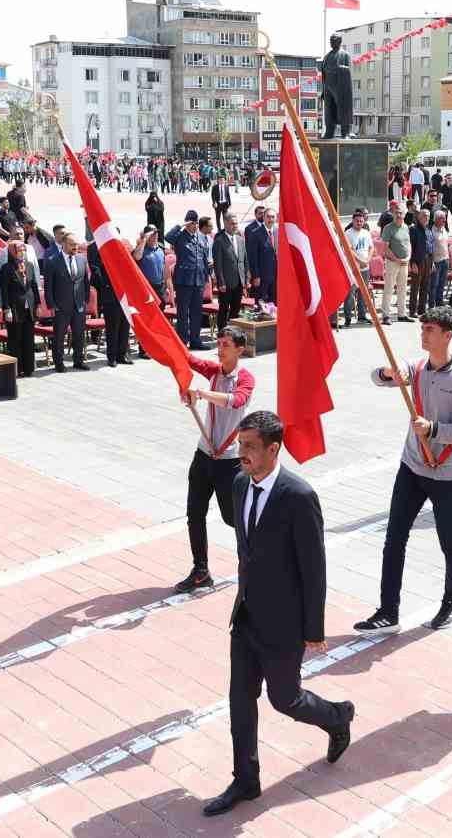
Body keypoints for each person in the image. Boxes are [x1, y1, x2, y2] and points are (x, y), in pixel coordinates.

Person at [203, 410, 354, 817]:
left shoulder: (298, 496)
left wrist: (314, 628)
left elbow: (313, 567)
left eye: (250, 447)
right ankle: (246, 781)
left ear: (274, 449)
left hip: (284, 624)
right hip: (247, 616)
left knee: (285, 699)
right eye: (240, 445)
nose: (242, 453)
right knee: (240, 700)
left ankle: (337, 717)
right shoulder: (238, 484)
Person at [353, 306, 452, 635]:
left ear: (447, 336)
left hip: (446, 475)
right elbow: (380, 376)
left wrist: (433, 429)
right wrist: (387, 373)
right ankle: (388, 611)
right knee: (394, 538)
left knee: (449, 541)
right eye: (422, 328)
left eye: (430, 330)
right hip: (411, 467)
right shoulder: (417, 368)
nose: (423, 334)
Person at [175, 327, 256, 593]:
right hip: (204, 455)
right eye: (219, 343)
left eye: (226, 344)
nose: (220, 349)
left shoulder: (245, 378)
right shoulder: (213, 371)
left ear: (239, 349)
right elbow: (185, 358)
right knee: (194, 514)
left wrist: (202, 394)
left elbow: (236, 401)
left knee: (232, 518)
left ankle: (255, 563)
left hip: (229, 461)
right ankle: (201, 570)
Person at [42, 231, 89, 372]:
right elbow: (48, 286)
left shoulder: (81, 259)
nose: (75, 247)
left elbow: (85, 281)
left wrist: (85, 300)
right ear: (63, 244)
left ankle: (78, 360)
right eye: (72, 244)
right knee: (59, 336)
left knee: (79, 334)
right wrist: (51, 304)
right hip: (61, 306)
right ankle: (59, 363)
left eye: (76, 244)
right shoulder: (52, 261)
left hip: (79, 305)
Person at [165, 210, 210, 350]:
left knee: (197, 312)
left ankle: (195, 340)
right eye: (192, 223)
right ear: (187, 223)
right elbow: (167, 237)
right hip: (184, 281)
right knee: (183, 313)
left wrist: (207, 275)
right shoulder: (179, 236)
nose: (195, 225)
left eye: (196, 223)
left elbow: (204, 257)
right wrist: (181, 225)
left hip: (198, 280)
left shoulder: (201, 238)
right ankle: (182, 342)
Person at [0, 240, 41, 378]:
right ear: (13, 252)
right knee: (15, 339)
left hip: (29, 307)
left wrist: (38, 305)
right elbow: (4, 290)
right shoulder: (6, 268)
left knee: (28, 338)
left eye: (24, 250)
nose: (22, 253)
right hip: (14, 308)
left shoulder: (28, 265)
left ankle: (29, 368)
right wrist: (6, 309)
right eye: (19, 250)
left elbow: (34, 286)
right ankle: (17, 369)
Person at [89, 235, 131, 366]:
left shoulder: (122, 250)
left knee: (125, 325)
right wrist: (106, 285)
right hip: (109, 294)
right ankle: (112, 357)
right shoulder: (100, 250)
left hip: (124, 295)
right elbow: (95, 269)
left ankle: (122, 354)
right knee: (113, 327)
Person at [212, 215, 248, 332]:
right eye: (232, 224)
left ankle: (234, 334)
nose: (235, 226)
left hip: (239, 281)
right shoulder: (219, 241)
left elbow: (244, 261)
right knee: (223, 309)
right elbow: (218, 264)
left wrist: (246, 280)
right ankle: (222, 333)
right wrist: (221, 282)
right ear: (225, 223)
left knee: (236, 309)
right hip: (226, 283)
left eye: (236, 224)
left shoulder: (240, 240)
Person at [339, 210, 372, 327]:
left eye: (361, 221)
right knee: (350, 293)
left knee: (363, 293)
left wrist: (367, 259)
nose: (359, 223)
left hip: (365, 268)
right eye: (357, 221)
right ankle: (348, 317)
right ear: (353, 221)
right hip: (352, 268)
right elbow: (350, 250)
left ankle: (362, 316)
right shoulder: (348, 233)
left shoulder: (366, 232)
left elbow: (371, 247)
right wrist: (361, 261)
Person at [380, 205, 411, 323]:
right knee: (389, 288)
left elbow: (409, 244)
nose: (399, 215)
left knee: (403, 289)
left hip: (404, 263)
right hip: (392, 263)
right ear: (393, 214)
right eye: (397, 213)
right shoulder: (388, 228)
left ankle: (401, 314)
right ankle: (385, 316)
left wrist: (408, 257)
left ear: (404, 215)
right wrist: (396, 259)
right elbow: (385, 247)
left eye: (401, 213)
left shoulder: (406, 227)